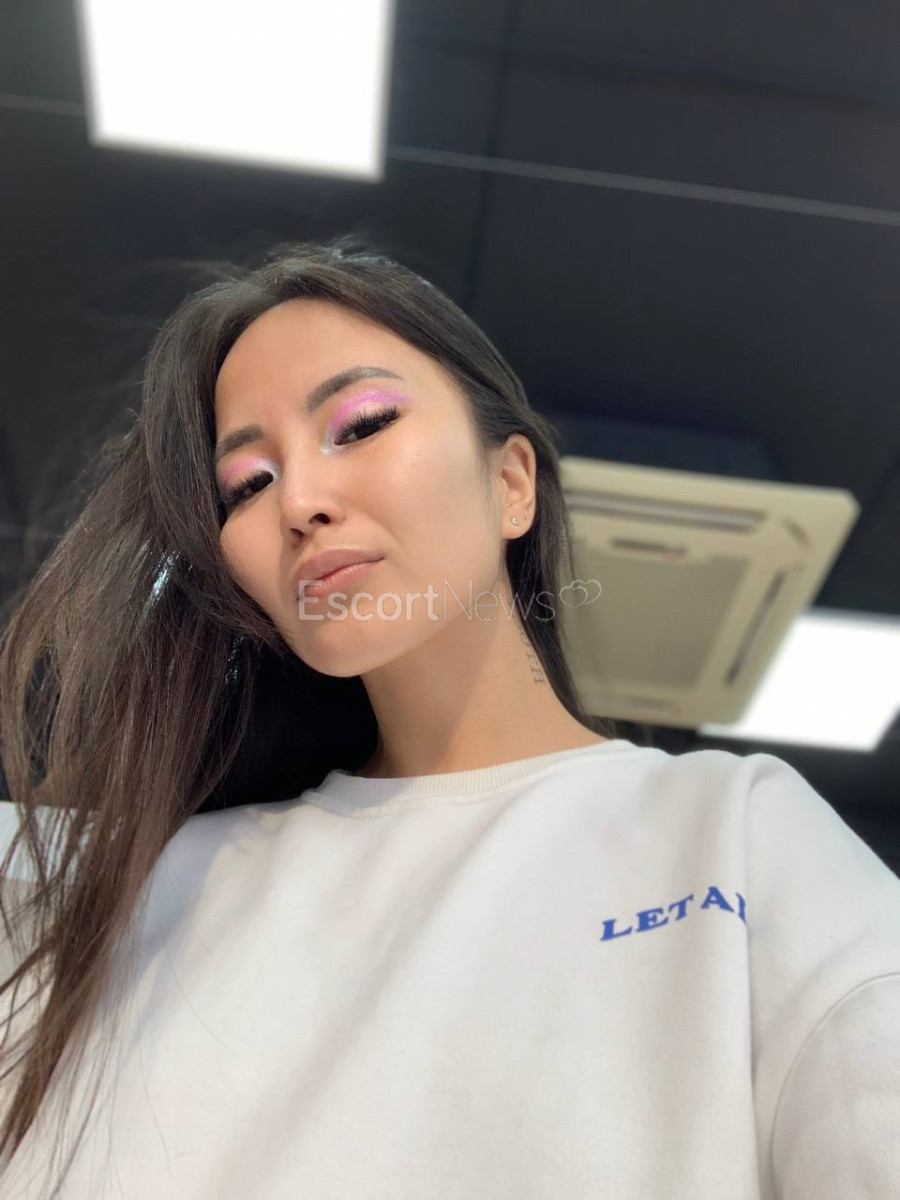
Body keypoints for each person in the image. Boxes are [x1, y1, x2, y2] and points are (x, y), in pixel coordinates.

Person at [0, 235, 897, 1198]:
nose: (299, 500)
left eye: (361, 424)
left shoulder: (734, 834)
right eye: (248, 484)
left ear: (512, 484)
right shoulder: (131, 884)